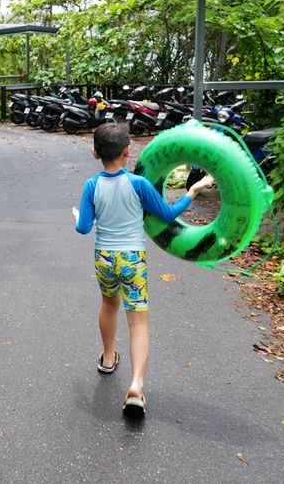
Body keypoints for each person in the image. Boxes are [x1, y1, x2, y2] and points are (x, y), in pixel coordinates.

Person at [73, 122, 214, 418]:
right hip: (132, 259)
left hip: (104, 258)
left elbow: (84, 228)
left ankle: (108, 357)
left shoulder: (91, 186)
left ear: (94, 153)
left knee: (109, 304)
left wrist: (79, 216)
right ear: (128, 151)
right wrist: (194, 190)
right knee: (138, 322)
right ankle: (136, 387)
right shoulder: (139, 185)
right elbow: (168, 214)